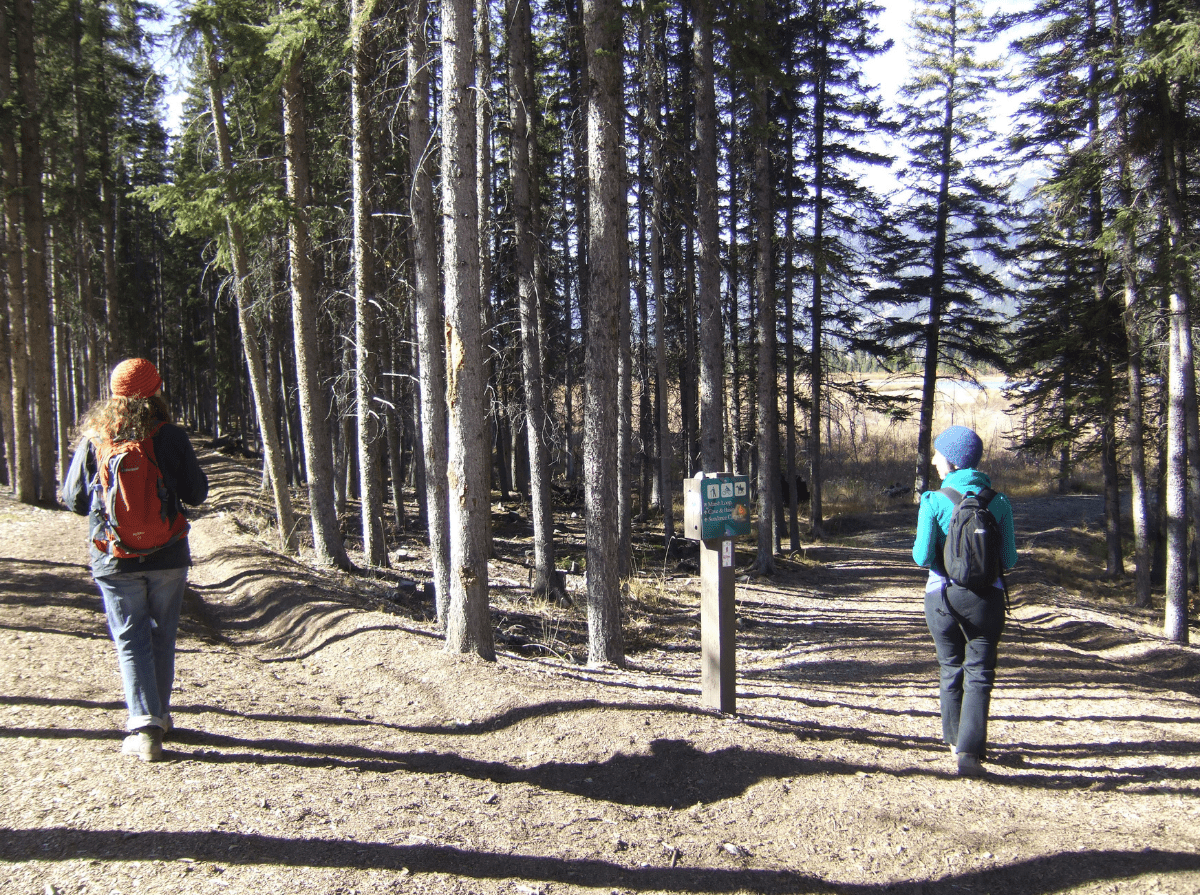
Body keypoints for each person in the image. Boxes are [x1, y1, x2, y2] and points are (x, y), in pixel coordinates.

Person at [62, 358, 208, 762]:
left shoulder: (97, 435)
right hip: (169, 555)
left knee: (131, 639)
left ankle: (145, 725)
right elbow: (197, 494)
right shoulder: (172, 436)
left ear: (114, 393)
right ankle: (156, 717)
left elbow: (74, 500)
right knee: (162, 634)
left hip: (114, 556)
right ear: (156, 391)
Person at [912, 425, 1017, 778]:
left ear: (952, 461)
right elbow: (1011, 559)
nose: (933, 460)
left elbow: (921, 556)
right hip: (988, 599)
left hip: (942, 595)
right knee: (980, 671)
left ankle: (953, 738)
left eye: (937, 454)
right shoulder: (999, 502)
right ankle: (970, 753)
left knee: (950, 664)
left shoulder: (933, 500)